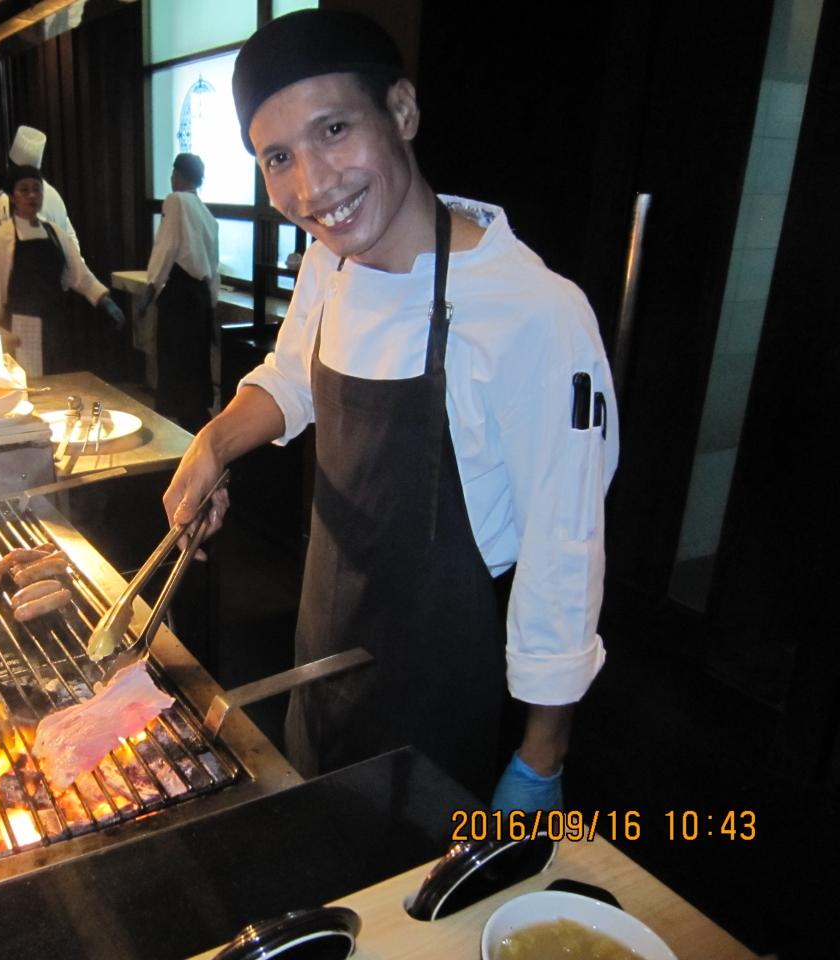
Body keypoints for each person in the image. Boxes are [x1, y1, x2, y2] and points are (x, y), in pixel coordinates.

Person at [162, 10, 618, 810]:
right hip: (322, 650)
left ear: (401, 111)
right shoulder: (328, 265)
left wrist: (543, 758)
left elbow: (564, 550)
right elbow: (292, 379)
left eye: (334, 130)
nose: (313, 187)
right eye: (278, 158)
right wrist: (214, 444)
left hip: (435, 689)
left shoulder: (535, 313)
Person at [0, 165, 124, 376]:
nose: (32, 195)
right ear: (12, 196)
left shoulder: (55, 232)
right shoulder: (0, 239)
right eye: (24, 189)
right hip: (22, 327)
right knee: (31, 383)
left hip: (56, 323)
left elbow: (79, 274)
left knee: (59, 381)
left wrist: (105, 300)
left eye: (36, 189)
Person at [144, 152, 221, 432]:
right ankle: (197, 428)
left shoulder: (175, 200)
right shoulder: (206, 214)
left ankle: (176, 431)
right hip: (200, 300)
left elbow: (167, 246)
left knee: (174, 366)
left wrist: (151, 287)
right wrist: (212, 308)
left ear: (177, 174)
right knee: (194, 369)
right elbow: (213, 267)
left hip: (180, 297)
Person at [8, 125, 81, 251]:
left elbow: (34, 245)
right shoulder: (52, 192)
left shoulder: (34, 200)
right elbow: (71, 238)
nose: (31, 195)